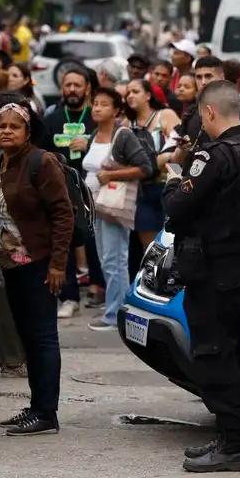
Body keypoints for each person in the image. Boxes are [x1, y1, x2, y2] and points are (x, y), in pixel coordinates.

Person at [164, 80, 240, 472]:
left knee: (215, 355)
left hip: (213, 269)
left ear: (209, 112)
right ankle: (233, 435)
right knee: (237, 351)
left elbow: (179, 207)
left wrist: (173, 181)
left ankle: (233, 446)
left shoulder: (213, 156)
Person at [0, 101, 75, 435]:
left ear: (28, 131)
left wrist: (57, 265)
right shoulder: (1, 161)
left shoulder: (42, 161)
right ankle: (36, 405)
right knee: (28, 338)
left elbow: (63, 215)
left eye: (14, 126)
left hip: (38, 264)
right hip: (10, 267)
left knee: (42, 338)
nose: (6, 131)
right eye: (1, 126)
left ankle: (46, 413)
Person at [79, 87, 154, 331]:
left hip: (114, 206)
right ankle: (115, 306)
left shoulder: (123, 135)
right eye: (95, 103)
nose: (97, 108)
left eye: (103, 104)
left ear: (116, 111)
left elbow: (145, 168)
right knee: (106, 259)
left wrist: (110, 174)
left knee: (115, 260)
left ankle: (116, 315)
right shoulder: (93, 135)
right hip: (95, 206)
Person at [40, 66, 95, 318]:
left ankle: (98, 287)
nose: (72, 89)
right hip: (61, 189)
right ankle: (69, 296)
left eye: (77, 84)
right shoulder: (52, 118)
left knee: (94, 240)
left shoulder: (95, 116)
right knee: (65, 240)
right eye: (68, 84)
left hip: (92, 187)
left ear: (87, 88)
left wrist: (89, 144)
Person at [126, 79, 181, 248]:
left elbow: (182, 144)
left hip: (168, 187)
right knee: (150, 249)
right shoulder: (127, 124)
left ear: (148, 95)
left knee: (172, 245)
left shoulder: (165, 115)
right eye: (128, 93)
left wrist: (164, 159)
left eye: (135, 91)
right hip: (141, 191)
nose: (130, 96)